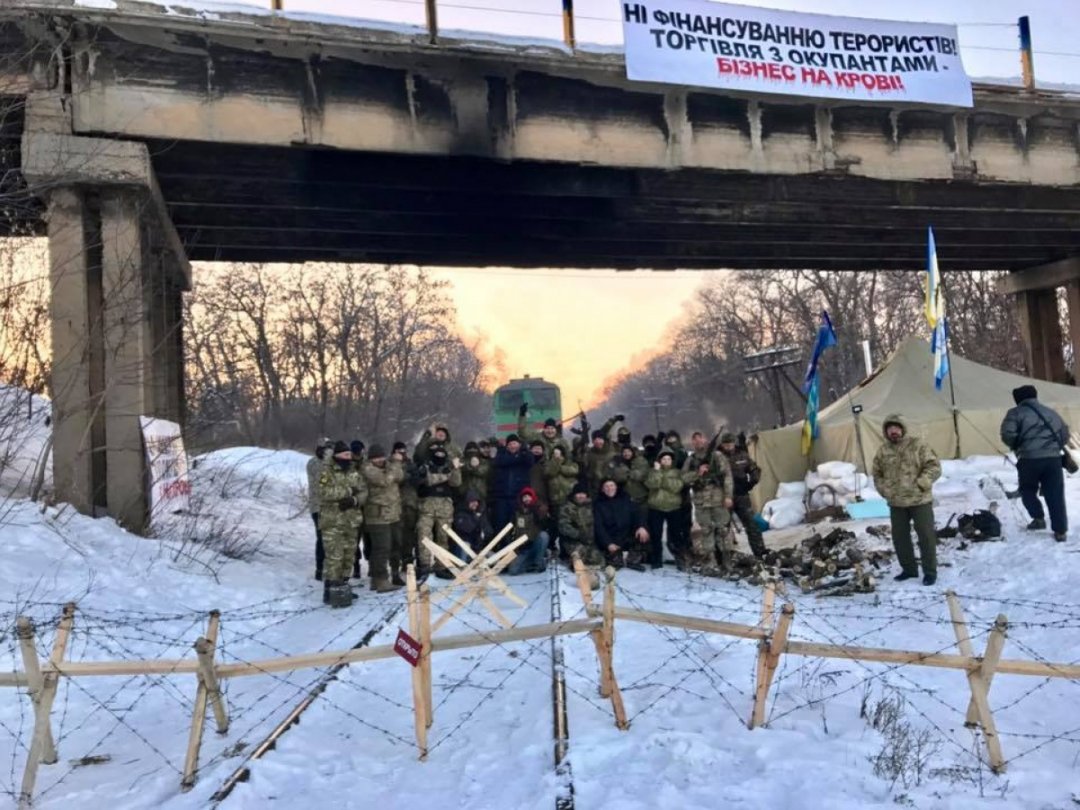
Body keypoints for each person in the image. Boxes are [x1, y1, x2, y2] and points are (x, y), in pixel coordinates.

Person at [871, 415, 942, 586]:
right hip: (897, 503)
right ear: (886, 432)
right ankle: (909, 569)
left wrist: (922, 483)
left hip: (920, 500)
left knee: (926, 536)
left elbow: (934, 466)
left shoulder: (918, 445)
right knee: (900, 538)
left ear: (902, 429)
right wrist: (885, 490)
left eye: (896, 428)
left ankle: (930, 572)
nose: (893, 431)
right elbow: (877, 473)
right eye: (890, 429)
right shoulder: (883, 451)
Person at [1001, 385, 1071, 542]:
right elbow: (1065, 434)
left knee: (1027, 490)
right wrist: (1052, 447)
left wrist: (1019, 445)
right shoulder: (1050, 412)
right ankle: (1060, 531)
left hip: (1029, 459)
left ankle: (1038, 518)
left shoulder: (1015, 413)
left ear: (1018, 399)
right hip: (1053, 460)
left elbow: (1007, 434)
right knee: (1055, 493)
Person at [318, 441, 368, 606]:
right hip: (333, 522)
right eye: (345, 455)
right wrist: (347, 492)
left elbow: (363, 491)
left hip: (352, 521)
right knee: (334, 557)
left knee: (348, 556)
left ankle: (343, 586)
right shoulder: (327, 471)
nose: (348, 457)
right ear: (337, 455)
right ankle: (330, 590)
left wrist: (354, 500)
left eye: (349, 455)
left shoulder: (354, 471)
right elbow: (324, 492)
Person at [684, 440, 734, 576]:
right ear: (693, 443)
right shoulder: (691, 459)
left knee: (723, 530)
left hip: (719, 500)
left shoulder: (717, 456)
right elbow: (684, 478)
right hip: (701, 502)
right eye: (694, 440)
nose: (698, 443)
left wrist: (728, 496)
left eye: (700, 439)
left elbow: (727, 476)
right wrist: (698, 473)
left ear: (705, 440)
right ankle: (710, 563)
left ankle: (727, 562)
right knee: (706, 532)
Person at [415, 444, 463, 580]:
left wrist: (456, 469)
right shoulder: (425, 467)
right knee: (424, 536)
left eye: (443, 455)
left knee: (444, 538)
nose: (440, 457)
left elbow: (456, 482)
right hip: (427, 507)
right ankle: (424, 566)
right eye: (437, 455)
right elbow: (428, 481)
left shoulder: (449, 468)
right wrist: (445, 476)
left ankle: (441, 566)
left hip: (445, 507)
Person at [361, 445, 405, 592]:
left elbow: (400, 476)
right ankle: (380, 580)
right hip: (378, 516)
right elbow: (385, 480)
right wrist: (396, 464)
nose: (380, 460)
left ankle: (379, 578)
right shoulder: (368, 469)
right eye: (376, 458)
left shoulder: (388, 467)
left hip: (393, 514)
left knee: (394, 545)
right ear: (370, 459)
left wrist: (394, 466)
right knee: (381, 548)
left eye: (381, 457)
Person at [719, 433, 767, 559]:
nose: (729, 446)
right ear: (722, 444)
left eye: (731, 443)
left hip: (741, 495)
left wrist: (752, 482)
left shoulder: (742, 455)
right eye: (726, 444)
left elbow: (754, 469)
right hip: (724, 497)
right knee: (722, 528)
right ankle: (724, 557)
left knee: (752, 525)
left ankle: (760, 553)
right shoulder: (717, 457)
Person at [645, 448, 689, 569]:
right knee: (655, 535)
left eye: (668, 459)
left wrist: (662, 479)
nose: (666, 461)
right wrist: (657, 472)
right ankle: (656, 560)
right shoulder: (653, 471)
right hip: (656, 508)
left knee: (676, 535)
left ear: (672, 461)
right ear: (659, 460)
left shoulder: (677, 472)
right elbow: (651, 484)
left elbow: (676, 487)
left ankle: (680, 559)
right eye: (663, 459)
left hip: (673, 508)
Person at [593, 478, 649, 570]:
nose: (609, 488)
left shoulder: (625, 499)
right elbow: (599, 527)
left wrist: (641, 526)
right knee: (614, 561)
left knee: (643, 533)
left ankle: (633, 560)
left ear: (616, 487)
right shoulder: (598, 504)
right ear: (602, 489)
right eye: (606, 486)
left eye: (612, 485)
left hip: (626, 534)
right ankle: (615, 558)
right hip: (611, 537)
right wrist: (608, 543)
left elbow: (637, 514)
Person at [491, 434, 535, 532]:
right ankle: (502, 545)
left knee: (517, 524)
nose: (512, 446)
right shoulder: (502, 455)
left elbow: (530, 460)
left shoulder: (524, 455)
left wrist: (523, 450)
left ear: (519, 444)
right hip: (502, 497)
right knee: (501, 524)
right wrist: (516, 458)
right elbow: (499, 461)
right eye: (510, 444)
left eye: (514, 443)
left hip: (518, 497)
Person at [558, 483, 604, 566]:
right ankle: (569, 558)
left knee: (599, 560)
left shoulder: (591, 506)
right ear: (574, 495)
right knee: (578, 559)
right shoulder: (567, 507)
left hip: (590, 542)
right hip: (572, 541)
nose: (581, 496)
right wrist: (578, 534)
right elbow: (563, 526)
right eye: (578, 493)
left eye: (583, 493)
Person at [508, 487, 551, 574]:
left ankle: (539, 561)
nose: (527, 499)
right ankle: (533, 562)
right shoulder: (516, 512)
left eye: (529, 496)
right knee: (513, 571)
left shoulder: (539, 510)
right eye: (525, 497)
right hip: (523, 549)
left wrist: (542, 513)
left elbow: (546, 525)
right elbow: (510, 531)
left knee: (543, 536)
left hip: (535, 545)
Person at [307, 440, 331, 581]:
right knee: (322, 538)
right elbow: (321, 482)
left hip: (330, 507)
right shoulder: (314, 463)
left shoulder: (329, 464)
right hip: (318, 506)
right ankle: (320, 569)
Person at [395, 441, 420, 573]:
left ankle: (408, 562)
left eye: (404, 451)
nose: (402, 453)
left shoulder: (411, 465)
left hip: (410, 504)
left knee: (409, 536)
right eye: (399, 451)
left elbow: (417, 481)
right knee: (397, 536)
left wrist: (411, 476)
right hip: (395, 505)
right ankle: (397, 562)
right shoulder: (390, 465)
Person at [452, 491, 495, 556]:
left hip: (478, 549)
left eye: (476, 501)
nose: (475, 504)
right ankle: (462, 566)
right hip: (464, 548)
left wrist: (482, 533)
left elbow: (489, 530)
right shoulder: (460, 514)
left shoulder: (480, 513)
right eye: (472, 501)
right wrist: (477, 518)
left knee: (494, 557)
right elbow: (468, 528)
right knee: (465, 546)